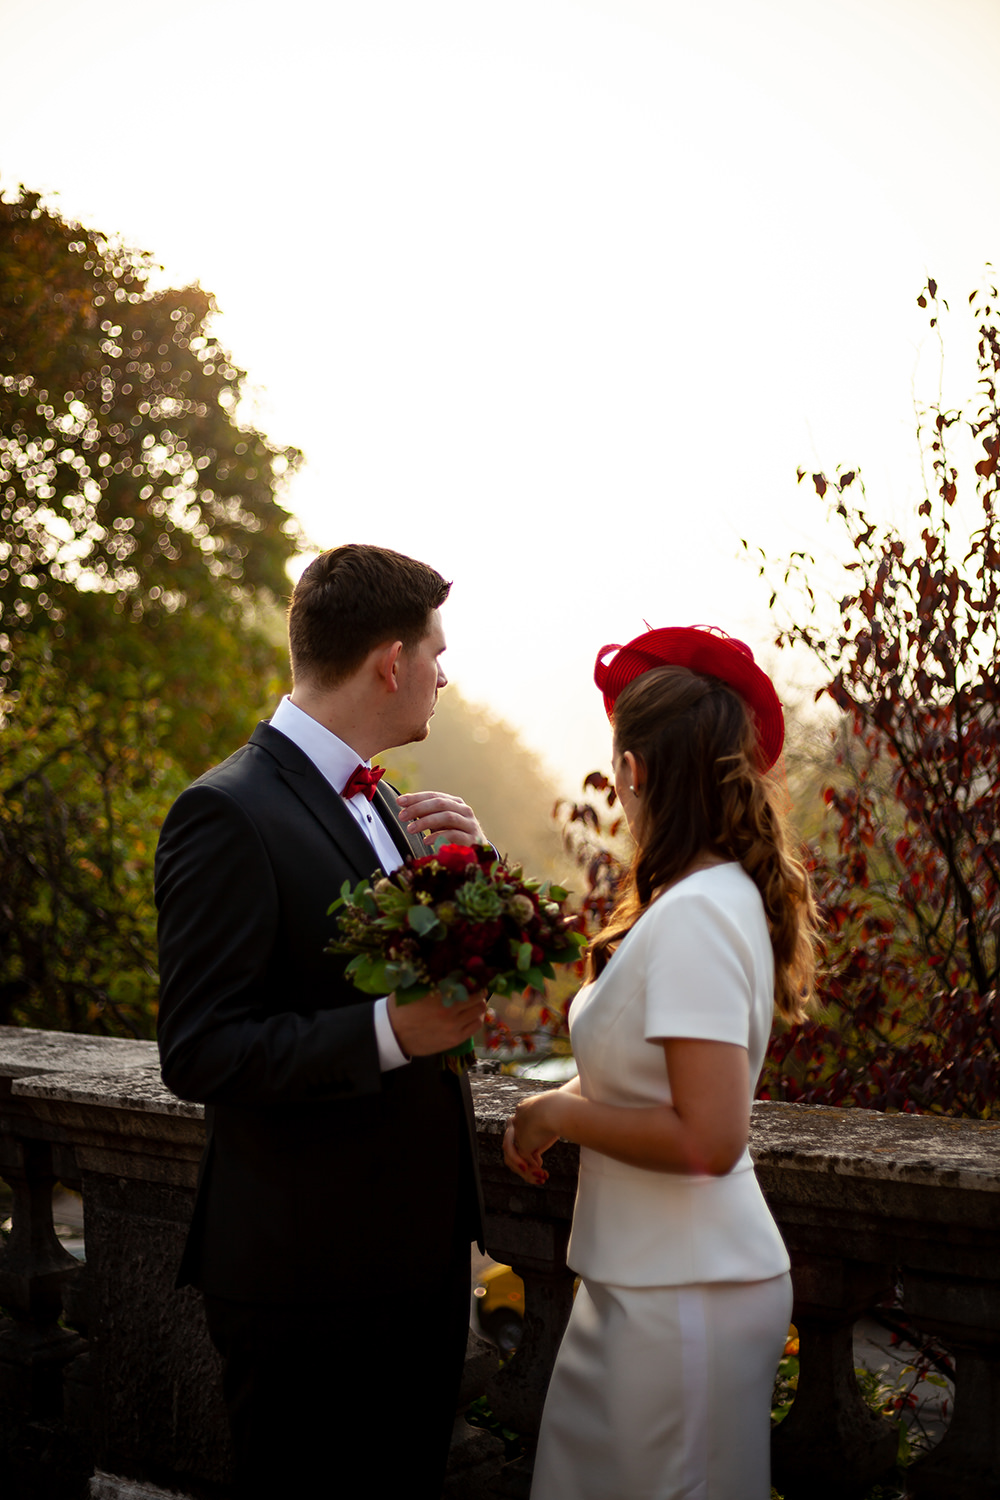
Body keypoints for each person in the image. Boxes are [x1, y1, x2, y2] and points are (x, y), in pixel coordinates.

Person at [156, 543, 489, 1500]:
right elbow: (200, 1046)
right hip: (307, 1283)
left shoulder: (382, 795)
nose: (442, 673)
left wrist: (464, 878)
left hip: (411, 1259)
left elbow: (406, 976)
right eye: (435, 651)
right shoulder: (226, 812)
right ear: (391, 662)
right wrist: (390, 1033)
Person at [503, 625, 816, 1500]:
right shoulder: (698, 900)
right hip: (650, 1280)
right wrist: (564, 1096)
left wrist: (560, 1114)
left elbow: (710, 1136)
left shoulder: (700, 914)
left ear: (635, 771)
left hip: (687, 1295)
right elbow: (648, 1075)